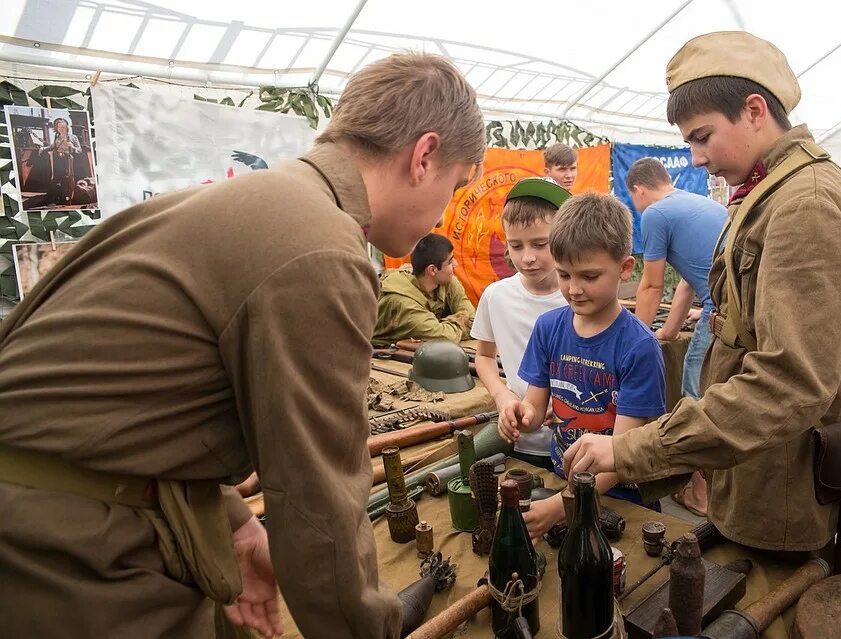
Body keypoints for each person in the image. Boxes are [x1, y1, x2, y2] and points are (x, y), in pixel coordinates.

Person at [0, 51, 485, 639]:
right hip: (64, 545)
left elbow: (139, 395)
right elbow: (319, 502)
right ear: (425, 155)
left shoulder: (265, 204)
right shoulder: (321, 248)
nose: (443, 212)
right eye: (454, 186)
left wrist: (233, 520)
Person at [564, 31, 841, 557]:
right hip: (752, 469)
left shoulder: (806, 204)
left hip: (777, 489)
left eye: (702, 136)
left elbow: (789, 383)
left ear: (754, 111)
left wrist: (633, 447)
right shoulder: (771, 191)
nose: (697, 158)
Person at [498, 192, 667, 539]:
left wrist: (561, 506)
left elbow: (621, 457)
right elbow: (535, 407)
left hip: (621, 498)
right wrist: (519, 414)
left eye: (589, 276)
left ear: (625, 268)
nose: (574, 289)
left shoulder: (639, 348)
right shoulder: (548, 328)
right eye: (564, 274)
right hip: (564, 480)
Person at [627, 157, 727, 517]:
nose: (638, 210)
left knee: (693, 404)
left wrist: (634, 337)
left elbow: (652, 285)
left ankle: (700, 495)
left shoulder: (656, 214)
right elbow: (687, 281)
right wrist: (667, 332)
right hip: (734, 308)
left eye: (634, 202)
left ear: (638, 190)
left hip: (721, 313)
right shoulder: (701, 203)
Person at [472, 178, 572, 471]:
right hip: (520, 442)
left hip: (576, 441)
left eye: (541, 244)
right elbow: (484, 355)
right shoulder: (496, 296)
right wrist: (502, 396)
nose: (527, 257)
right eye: (516, 245)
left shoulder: (577, 299)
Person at [372, 233, 475, 347]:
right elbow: (445, 337)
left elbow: (474, 321)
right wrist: (461, 320)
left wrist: (447, 325)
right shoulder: (404, 303)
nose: (456, 264)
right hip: (378, 353)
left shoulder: (446, 281)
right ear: (432, 270)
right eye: (450, 262)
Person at [39, 117, 82, 205]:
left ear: (66, 127)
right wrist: (43, 148)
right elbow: (52, 147)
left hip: (68, 160)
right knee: (56, 179)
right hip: (58, 160)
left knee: (67, 178)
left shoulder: (73, 137)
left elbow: (79, 150)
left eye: (63, 127)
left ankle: (66, 199)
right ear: (56, 128)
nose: (61, 129)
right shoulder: (57, 137)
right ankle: (51, 200)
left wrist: (72, 147)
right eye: (59, 127)